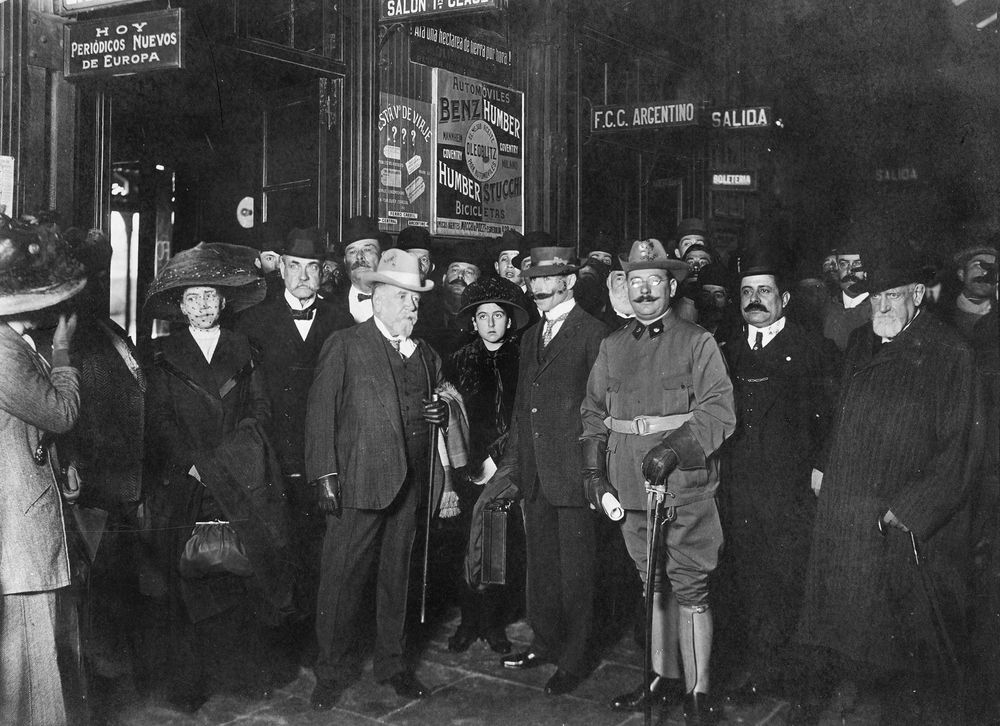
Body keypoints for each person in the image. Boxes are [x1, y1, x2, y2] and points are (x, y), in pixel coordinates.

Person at [797, 246, 980, 723]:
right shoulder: (861, 340)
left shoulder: (950, 353)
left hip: (899, 515)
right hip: (850, 499)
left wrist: (911, 509)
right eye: (875, 296)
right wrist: (823, 463)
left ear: (917, 294)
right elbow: (840, 410)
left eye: (892, 297)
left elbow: (961, 449)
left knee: (903, 635)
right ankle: (853, 689)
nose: (880, 307)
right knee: (847, 614)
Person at [580, 238, 735, 725]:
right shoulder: (612, 345)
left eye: (654, 281)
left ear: (671, 285)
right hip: (629, 487)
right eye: (635, 281)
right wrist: (592, 472)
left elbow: (719, 410)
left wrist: (673, 450)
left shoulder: (697, 341)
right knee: (651, 583)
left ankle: (697, 694)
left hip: (684, 485)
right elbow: (593, 413)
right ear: (624, 287)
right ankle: (660, 681)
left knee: (689, 586)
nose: (644, 290)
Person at [143, 243, 295, 710]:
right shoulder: (162, 353)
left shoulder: (245, 349)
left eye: (211, 296)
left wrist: (234, 458)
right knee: (189, 577)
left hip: (240, 476)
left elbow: (261, 409)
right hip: (187, 480)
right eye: (193, 298)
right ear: (180, 305)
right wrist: (193, 464)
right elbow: (159, 419)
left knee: (242, 571)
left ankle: (243, 675)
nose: (204, 306)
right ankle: (190, 684)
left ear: (223, 301)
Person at [305, 249, 449, 710]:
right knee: (341, 580)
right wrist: (324, 476)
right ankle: (329, 673)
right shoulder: (346, 344)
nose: (413, 307)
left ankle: (393, 664)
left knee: (398, 580)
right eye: (406, 298)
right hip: (358, 483)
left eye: (417, 300)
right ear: (379, 298)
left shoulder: (426, 355)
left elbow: (439, 409)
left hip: (410, 485)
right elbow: (319, 414)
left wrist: (440, 413)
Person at [476, 233, 608, 696]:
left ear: (570, 281)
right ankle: (545, 643)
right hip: (534, 474)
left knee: (576, 573)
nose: (537, 287)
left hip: (574, 475)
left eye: (548, 279)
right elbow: (520, 409)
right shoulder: (531, 334)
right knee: (542, 570)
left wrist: (596, 475)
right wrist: (513, 468)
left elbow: (600, 410)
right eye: (533, 279)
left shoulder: (594, 333)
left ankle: (573, 659)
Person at [718, 260, 836, 710]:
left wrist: (822, 468)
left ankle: (793, 680)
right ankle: (759, 670)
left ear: (784, 299)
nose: (755, 300)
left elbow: (832, 418)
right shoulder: (725, 351)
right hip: (739, 489)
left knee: (788, 583)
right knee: (746, 582)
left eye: (765, 291)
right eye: (748, 291)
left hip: (791, 491)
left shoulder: (813, 350)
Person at [235, 226, 352, 651]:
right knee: (276, 547)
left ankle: (317, 641)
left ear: (323, 273)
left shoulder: (342, 322)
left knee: (322, 550)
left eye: (312, 268)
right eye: (295, 266)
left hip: (325, 458)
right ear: (280, 268)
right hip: (274, 455)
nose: (303, 276)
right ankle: (278, 644)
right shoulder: (252, 322)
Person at [0, 223, 86, 726]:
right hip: (17, 523)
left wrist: (64, 461)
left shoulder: (11, 340)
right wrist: (62, 352)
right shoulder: (5, 349)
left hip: (20, 508)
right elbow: (59, 412)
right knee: (29, 654)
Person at [442, 276, 529, 655]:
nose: (491, 323)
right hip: (466, 467)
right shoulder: (459, 359)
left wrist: (499, 458)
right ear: (473, 322)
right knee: (464, 543)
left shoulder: (524, 357)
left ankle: (493, 623)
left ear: (509, 321)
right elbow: (450, 414)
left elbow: (525, 416)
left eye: (498, 315)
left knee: (494, 542)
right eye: (482, 316)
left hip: (507, 466)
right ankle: (468, 621)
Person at [822, 244, 870, 350]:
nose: (850, 271)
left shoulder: (876, 308)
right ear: (837, 269)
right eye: (843, 264)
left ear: (867, 271)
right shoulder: (827, 305)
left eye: (857, 264)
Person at [340, 216, 386, 324]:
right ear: (345, 261)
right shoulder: (330, 304)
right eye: (352, 252)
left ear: (382, 257)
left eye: (367, 249)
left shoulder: (403, 300)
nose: (359, 256)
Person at [947, 243, 996, 338]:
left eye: (993, 269)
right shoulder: (945, 314)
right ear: (961, 274)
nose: (986, 273)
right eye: (978, 265)